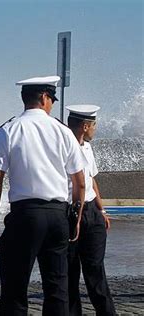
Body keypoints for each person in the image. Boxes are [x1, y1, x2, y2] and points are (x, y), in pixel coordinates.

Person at [0, 75, 86, 315]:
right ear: (43, 97)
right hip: (57, 215)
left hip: (25, 216)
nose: (51, 103)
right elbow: (80, 183)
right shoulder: (63, 131)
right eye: (51, 98)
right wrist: (76, 217)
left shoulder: (9, 130)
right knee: (57, 288)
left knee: (14, 289)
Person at [66, 104, 116, 316]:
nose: (96, 129)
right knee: (69, 272)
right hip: (69, 211)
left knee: (95, 270)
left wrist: (101, 210)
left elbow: (91, 179)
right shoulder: (63, 146)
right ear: (85, 126)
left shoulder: (87, 146)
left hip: (91, 213)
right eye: (94, 125)